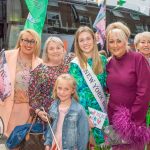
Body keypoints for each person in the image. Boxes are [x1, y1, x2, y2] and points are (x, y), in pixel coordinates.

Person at [106, 22, 150, 150]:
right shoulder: (109, 63)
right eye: (111, 41)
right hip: (113, 119)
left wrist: (132, 119)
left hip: (133, 121)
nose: (115, 45)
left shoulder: (138, 59)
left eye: (118, 41)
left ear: (126, 41)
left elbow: (145, 91)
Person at [69, 26, 108, 148]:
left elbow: (107, 87)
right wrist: (85, 117)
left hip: (103, 114)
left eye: (88, 39)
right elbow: (76, 94)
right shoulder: (75, 64)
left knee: (105, 146)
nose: (85, 43)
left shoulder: (102, 60)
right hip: (86, 115)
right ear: (77, 43)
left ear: (94, 39)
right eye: (81, 40)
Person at [0, 29, 42, 137]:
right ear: (20, 41)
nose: (28, 44)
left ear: (36, 44)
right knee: (12, 142)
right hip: (8, 107)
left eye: (32, 41)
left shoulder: (40, 63)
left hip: (29, 112)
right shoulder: (6, 56)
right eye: (25, 40)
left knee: (25, 143)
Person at [29, 37, 74, 122]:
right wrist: (39, 112)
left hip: (71, 115)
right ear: (46, 52)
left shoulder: (71, 63)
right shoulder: (39, 70)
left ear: (63, 50)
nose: (55, 51)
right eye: (51, 48)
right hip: (48, 118)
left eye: (58, 48)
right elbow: (33, 96)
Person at [44, 74, 89, 150]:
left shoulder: (79, 110)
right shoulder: (53, 106)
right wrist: (48, 144)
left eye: (66, 89)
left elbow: (83, 135)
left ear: (72, 90)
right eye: (59, 88)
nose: (62, 92)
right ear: (56, 88)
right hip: (54, 146)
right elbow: (50, 127)